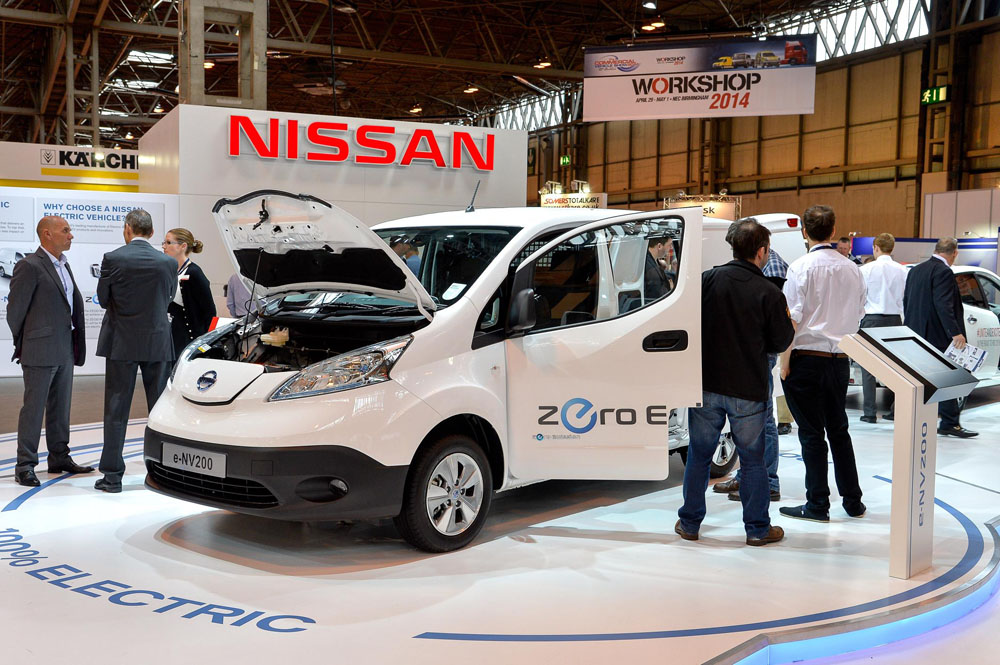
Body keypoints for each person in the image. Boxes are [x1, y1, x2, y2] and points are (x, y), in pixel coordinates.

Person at [676, 219, 794, 546]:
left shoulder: (706, 281)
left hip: (707, 384)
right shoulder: (769, 292)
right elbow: (781, 341)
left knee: (699, 455)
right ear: (762, 251)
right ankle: (757, 529)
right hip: (748, 389)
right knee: (753, 461)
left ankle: (689, 523)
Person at [779, 205, 867, 522]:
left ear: (804, 231)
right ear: (833, 231)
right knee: (839, 430)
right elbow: (859, 314)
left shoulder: (800, 267)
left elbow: (791, 319)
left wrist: (784, 362)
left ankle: (817, 504)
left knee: (812, 434)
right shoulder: (853, 269)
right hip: (839, 360)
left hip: (806, 359)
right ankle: (853, 501)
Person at [6, 216, 94, 486]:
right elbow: (15, 312)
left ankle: (59, 457)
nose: (71, 235)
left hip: (65, 347)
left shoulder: (64, 265)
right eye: (65, 230)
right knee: (33, 410)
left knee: (60, 407)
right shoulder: (29, 265)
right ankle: (25, 465)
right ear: (47, 234)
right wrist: (27, 341)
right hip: (39, 349)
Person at [94, 208, 178, 493]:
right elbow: (168, 297)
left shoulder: (113, 258)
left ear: (127, 229)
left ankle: (112, 477)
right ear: (152, 232)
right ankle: (164, 473)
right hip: (157, 342)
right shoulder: (168, 262)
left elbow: (103, 299)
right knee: (160, 411)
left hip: (122, 342)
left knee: (116, 410)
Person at [714, 230, 788, 502]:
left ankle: (767, 482)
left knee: (763, 419)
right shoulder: (758, 266)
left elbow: (771, 316)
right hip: (748, 353)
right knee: (751, 420)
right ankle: (747, 477)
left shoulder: (773, 266)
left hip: (758, 354)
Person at [903, 237, 978, 438]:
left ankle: (916, 420)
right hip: (937, 336)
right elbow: (943, 304)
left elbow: (906, 301)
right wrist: (955, 332)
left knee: (921, 381)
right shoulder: (944, 272)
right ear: (955, 253)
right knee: (948, 378)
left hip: (915, 333)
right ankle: (950, 423)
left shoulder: (916, 270)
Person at [858, 233, 907, 423]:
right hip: (895, 321)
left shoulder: (866, 269)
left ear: (875, 248)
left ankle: (870, 413)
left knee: (868, 367)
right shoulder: (903, 270)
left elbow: (860, 297)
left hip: (871, 319)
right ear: (892, 248)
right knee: (896, 367)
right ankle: (895, 409)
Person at [161, 227, 216, 357]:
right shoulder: (170, 271)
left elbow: (209, 311)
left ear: (183, 246)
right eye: (164, 242)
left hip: (189, 340)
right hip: (171, 337)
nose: (164, 246)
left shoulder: (194, 273)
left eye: (168, 242)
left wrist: (206, 342)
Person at [644, 234, 673, 300]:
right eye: (669, 245)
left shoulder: (653, 261)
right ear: (659, 246)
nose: (671, 248)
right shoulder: (650, 268)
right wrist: (671, 289)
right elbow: (656, 294)